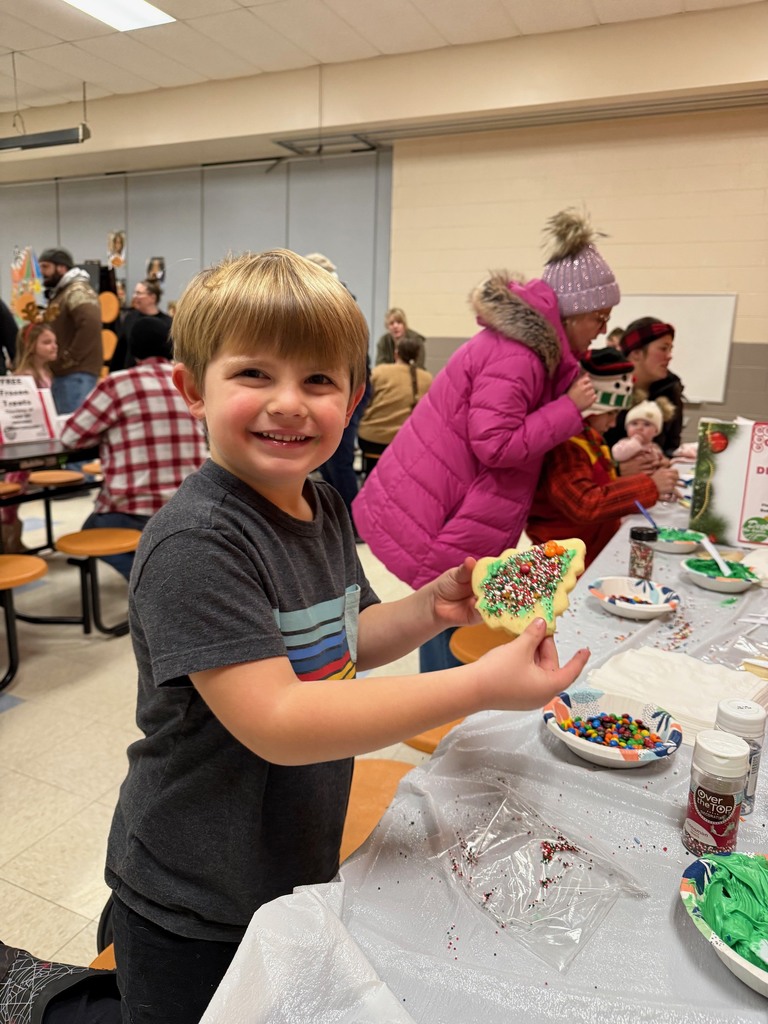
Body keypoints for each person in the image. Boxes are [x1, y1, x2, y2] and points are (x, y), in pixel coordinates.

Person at [104, 249, 590, 1024]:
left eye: (319, 381)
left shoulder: (324, 509)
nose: (290, 403)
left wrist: (428, 610)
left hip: (290, 856)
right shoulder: (198, 543)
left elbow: (345, 637)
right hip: (192, 896)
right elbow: (282, 723)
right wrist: (478, 685)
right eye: (255, 375)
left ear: (354, 397)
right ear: (193, 389)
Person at [353, 207, 617, 672]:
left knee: (451, 610)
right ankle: (444, 711)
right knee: (447, 611)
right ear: (571, 313)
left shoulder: (534, 352)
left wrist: (575, 419)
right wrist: (568, 409)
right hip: (451, 506)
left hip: (459, 500)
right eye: (599, 317)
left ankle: (447, 702)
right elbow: (495, 444)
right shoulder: (518, 355)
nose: (601, 330)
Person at [60, 317, 208, 580]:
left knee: (89, 532)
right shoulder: (191, 385)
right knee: (94, 530)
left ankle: (155, 584)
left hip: (132, 509)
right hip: (189, 505)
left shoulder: (117, 384)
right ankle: (165, 571)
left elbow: (71, 437)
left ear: (133, 349)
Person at [527, 349, 679, 567]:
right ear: (591, 409)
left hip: (591, 552)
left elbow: (604, 488)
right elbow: (584, 504)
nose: (614, 423)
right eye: (611, 413)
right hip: (563, 563)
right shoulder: (566, 447)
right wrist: (650, 486)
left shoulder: (591, 438)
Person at [303, 252, 371, 530]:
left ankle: (353, 524)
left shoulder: (338, 303)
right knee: (329, 458)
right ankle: (336, 519)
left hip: (344, 383)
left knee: (340, 458)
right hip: (335, 383)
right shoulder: (333, 301)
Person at [0, 323, 58, 553]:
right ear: (31, 347)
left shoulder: (48, 373)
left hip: (37, 442)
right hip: (20, 443)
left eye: (54, 341)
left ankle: (14, 537)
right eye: (47, 342)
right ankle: (8, 536)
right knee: (14, 488)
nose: (54, 346)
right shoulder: (24, 377)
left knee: (20, 490)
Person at [603, 317, 685, 459]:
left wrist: (666, 460)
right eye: (663, 349)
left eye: (670, 349)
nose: (670, 356)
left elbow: (672, 446)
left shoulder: (671, 390)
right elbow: (592, 451)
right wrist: (618, 469)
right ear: (636, 353)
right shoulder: (607, 389)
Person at [38, 247, 102, 414]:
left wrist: (69, 358)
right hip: (68, 374)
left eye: (45, 267)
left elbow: (90, 323)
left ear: (61, 268)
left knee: (70, 432)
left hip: (76, 374)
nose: (42, 272)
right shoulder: (65, 292)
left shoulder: (78, 291)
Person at [357, 335, 432, 476]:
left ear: (396, 353)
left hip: (371, 440)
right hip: (406, 443)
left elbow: (363, 402)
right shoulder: (427, 378)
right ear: (417, 355)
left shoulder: (379, 372)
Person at [109, 279, 172, 372]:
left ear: (152, 298)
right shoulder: (130, 318)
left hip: (158, 374)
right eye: (134, 293)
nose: (134, 297)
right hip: (130, 375)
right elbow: (120, 350)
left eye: (139, 293)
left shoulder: (167, 322)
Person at [610, 399, 669, 470]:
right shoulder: (623, 443)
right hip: (630, 478)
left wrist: (664, 463)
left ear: (656, 431)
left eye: (647, 424)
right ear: (627, 428)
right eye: (634, 423)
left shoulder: (655, 448)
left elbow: (661, 462)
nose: (639, 428)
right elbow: (617, 456)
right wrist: (635, 442)